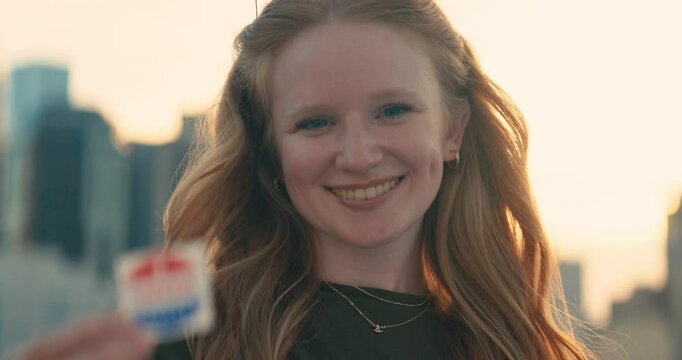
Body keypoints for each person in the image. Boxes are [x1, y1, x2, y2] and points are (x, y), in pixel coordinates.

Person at [14, 0, 595, 359]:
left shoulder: (516, 344)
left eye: (393, 110)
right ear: (271, 156)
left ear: (454, 130)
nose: (359, 154)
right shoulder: (189, 332)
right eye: (315, 123)